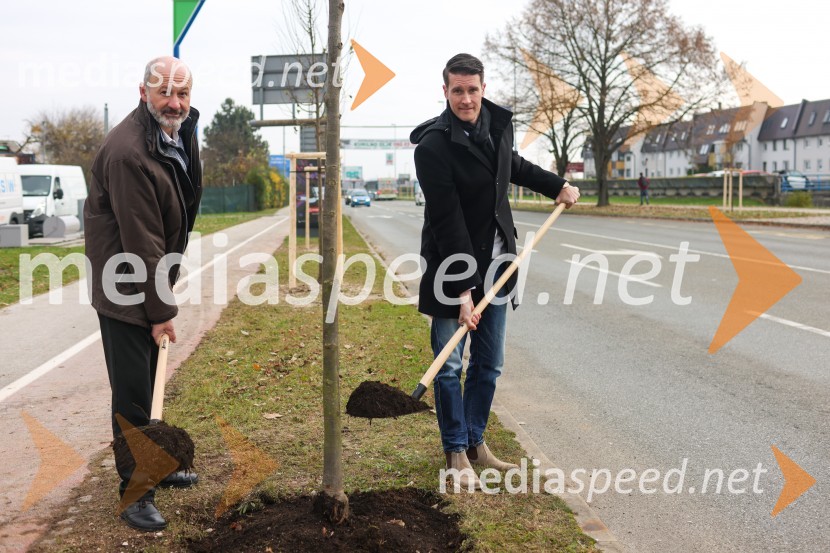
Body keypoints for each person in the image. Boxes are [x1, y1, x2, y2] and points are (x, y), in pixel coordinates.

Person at [410, 53, 580, 489]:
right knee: (449, 366)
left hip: (499, 266)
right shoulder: (432, 147)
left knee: (489, 364)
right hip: (452, 266)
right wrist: (464, 292)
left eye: (472, 89)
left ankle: (475, 444)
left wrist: (556, 184)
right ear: (444, 92)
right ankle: (454, 453)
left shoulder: (497, 127)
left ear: (483, 88)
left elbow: (515, 168)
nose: (466, 99)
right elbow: (447, 221)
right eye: (457, 90)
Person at [84, 56, 202, 530]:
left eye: (183, 94)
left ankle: (153, 465)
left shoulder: (177, 129)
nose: (174, 103)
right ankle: (136, 491)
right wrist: (160, 310)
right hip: (124, 285)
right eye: (164, 94)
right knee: (133, 394)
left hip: (149, 277)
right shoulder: (129, 152)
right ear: (143, 92)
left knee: (152, 379)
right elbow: (142, 241)